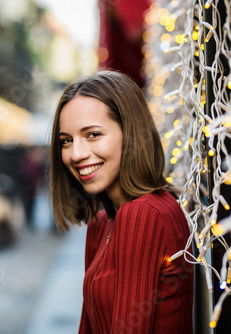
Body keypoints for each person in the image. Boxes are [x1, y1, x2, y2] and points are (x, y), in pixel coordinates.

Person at [49, 71, 193, 333]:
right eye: (66, 141)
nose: (76, 154)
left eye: (92, 134)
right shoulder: (102, 223)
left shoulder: (145, 213)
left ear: (130, 132)